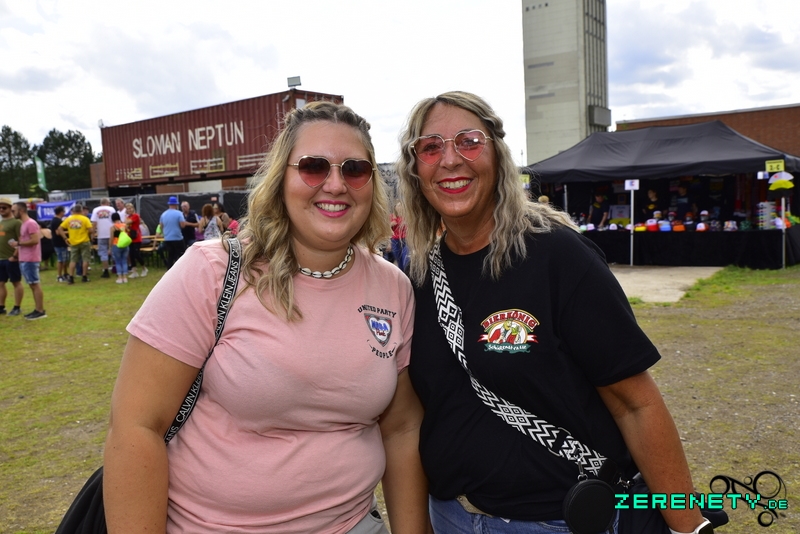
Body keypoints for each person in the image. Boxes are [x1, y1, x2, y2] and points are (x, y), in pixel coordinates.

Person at [103, 101, 430, 533]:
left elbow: (401, 428)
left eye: (355, 169)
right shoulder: (211, 271)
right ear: (281, 178)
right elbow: (136, 426)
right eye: (313, 167)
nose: (336, 184)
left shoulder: (392, 287)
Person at [396, 91, 709, 534]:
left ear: (497, 155)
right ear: (415, 169)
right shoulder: (418, 277)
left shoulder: (557, 255)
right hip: (451, 517)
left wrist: (686, 527)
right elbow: (412, 420)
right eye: (430, 147)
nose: (450, 160)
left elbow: (635, 404)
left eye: (469, 141)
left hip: (557, 521)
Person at [9, 201, 46, 319]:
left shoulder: (30, 223)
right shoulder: (24, 224)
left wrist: (19, 243)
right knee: (32, 284)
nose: (12, 213)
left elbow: (35, 240)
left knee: (35, 284)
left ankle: (40, 310)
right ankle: (37, 309)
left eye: (14, 211)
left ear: (21, 211)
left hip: (30, 258)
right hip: (25, 258)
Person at [58, 203, 94, 284]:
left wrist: (65, 238)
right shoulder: (85, 219)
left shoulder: (69, 219)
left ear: (73, 211)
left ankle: (71, 277)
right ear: (81, 210)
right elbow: (91, 230)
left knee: (73, 260)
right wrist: (86, 231)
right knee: (85, 259)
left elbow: (60, 229)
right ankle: (84, 276)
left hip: (73, 242)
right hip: (84, 241)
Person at [0, 197, 23, 316]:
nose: (1, 210)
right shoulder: (1, 222)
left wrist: (15, 256)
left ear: (10, 208)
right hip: (1, 258)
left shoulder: (16, 222)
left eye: (4, 207)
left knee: (16, 282)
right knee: (1, 283)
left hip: (11, 258)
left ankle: (17, 307)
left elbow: (21, 240)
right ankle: (1, 306)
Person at [158, 196, 186, 269]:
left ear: (169, 204)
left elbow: (161, 226)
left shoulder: (163, 214)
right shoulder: (179, 213)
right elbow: (183, 225)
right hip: (177, 237)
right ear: (176, 204)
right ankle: (182, 268)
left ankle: (169, 269)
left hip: (168, 238)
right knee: (182, 255)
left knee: (171, 255)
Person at [91, 198, 116, 278]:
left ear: (101, 203)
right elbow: (115, 220)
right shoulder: (111, 209)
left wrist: (93, 234)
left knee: (103, 253)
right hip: (111, 233)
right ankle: (116, 268)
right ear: (107, 202)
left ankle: (106, 271)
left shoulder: (95, 210)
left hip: (101, 234)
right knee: (113, 251)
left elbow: (94, 223)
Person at [124, 202, 147, 278]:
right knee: (131, 255)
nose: (129, 210)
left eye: (130, 208)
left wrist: (125, 221)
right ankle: (134, 271)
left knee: (137, 254)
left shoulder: (136, 216)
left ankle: (144, 268)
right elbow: (125, 225)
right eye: (127, 209)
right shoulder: (128, 216)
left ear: (133, 209)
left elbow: (128, 222)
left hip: (136, 238)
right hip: (130, 238)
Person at [49, 205, 69, 282]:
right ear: (61, 212)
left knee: (65, 259)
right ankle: (59, 275)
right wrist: (69, 231)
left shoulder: (56, 220)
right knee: (61, 260)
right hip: (59, 242)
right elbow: (58, 232)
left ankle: (65, 274)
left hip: (60, 242)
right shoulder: (57, 221)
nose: (64, 213)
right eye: (63, 211)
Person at [110, 212, 130, 284]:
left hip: (116, 244)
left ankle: (120, 277)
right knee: (124, 261)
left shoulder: (113, 227)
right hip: (125, 245)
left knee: (118, 261)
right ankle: (125, 277)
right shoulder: (124, 225)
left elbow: (111, 238)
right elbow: (128, 233)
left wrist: (110, 247)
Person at [390, 202, 409, 271]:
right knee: (398, 259)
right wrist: (391, 224)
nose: (399, 207)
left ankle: (406, 272)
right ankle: (402, 273)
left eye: (401, 206)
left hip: (405, 239)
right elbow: (387, 228)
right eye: (398, 206)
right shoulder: (392, 216)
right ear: (395, 207)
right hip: (395, 240)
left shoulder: (406, 216)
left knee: (405, 258)